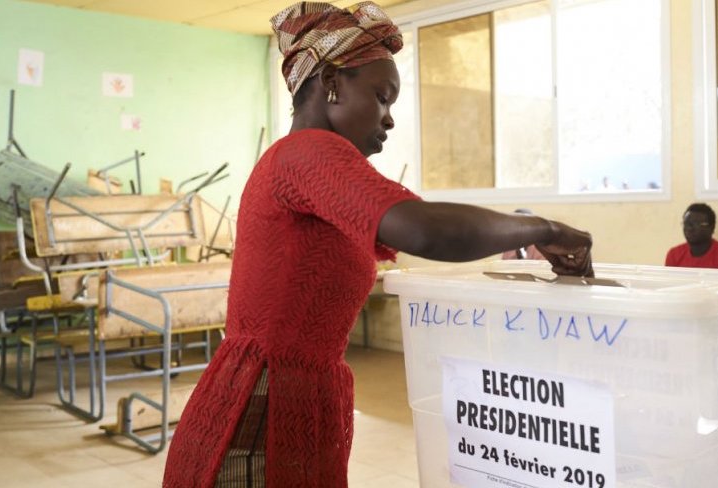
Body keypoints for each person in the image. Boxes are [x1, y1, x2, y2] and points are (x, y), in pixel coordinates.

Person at [162, 3, 593, 487]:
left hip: (291, 395)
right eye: (382, 97)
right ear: (330, 82)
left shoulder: (306, 163)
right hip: (261, 408)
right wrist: (545, 230)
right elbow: (425, 228)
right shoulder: (307, 153)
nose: (388, 120)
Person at [665, 203, 718, 270]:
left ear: (712, 228)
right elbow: (668, 286)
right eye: (687, 224)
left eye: (696, 224)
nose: (689, 228)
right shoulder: (674, 255)